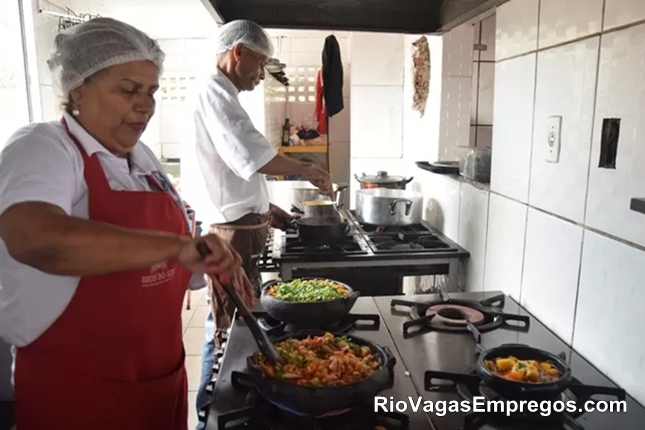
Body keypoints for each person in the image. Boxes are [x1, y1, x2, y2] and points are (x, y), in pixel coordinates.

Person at [0, 17, 254, 430]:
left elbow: (170, 256)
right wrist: (174, 248)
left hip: (160, 384)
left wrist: (206, 258)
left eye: (151, 90)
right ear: (77, 89)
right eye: (128, 89)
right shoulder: (43, 146)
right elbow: (34, 238)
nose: (146, 104)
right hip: (76, 396)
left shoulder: (144, 162)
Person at [179, 20, 333, 427]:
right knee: (229, 326)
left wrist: (272, 213)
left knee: (242, 321)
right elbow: (255, 157)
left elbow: (240, 171)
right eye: (259, 64)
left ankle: (237, 404)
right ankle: (211, 417)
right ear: (238, 52)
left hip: (242, 229)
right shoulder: (214, 91)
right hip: (231, 236)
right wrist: (307, 168)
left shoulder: (223, 92)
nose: (261, 74)